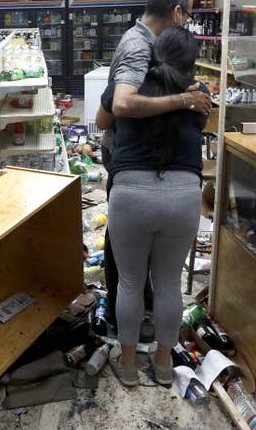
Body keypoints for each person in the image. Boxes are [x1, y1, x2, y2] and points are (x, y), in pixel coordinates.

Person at [96, 0, 211, 334]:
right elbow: (122, 104)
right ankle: (128, 323)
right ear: (177, 12)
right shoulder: (138, 47)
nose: (189, 21)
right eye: (189, 14)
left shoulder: (151, 48)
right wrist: (184, 100)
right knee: (137, 269)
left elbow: (106, 112)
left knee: (134, 267)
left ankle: (134, 326)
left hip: (138, 172)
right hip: (132, 161)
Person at [102, 27, 208, 387]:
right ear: (192, 63)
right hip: (183, 194)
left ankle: (129, 365)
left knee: (130, 281)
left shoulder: (126, 88)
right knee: (168, 283)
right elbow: (195, 124)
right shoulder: (199, 94)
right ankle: (163, 364)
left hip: (131, 193)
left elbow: (103, 120)